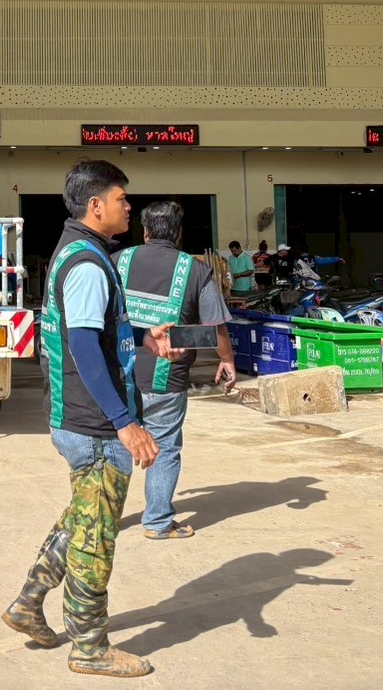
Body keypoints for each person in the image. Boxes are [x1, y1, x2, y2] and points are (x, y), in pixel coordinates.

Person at [3, 160, 157, 679]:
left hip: (82, 417)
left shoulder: (78, 252)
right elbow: (84, 346)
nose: (128, 207)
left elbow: (98, 330)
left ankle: (28, 602)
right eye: (121, 198)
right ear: (96, 205)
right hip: (94, 425)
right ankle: (89, 647)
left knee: (81, 521)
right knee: (95, 541)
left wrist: (144, 338)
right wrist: (124, 421)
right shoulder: (88, 264)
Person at [119, 202, 235, 540]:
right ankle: (157, 523)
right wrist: (227, 360)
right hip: (165, 380)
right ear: (180, 233)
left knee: (114, 446)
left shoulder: (118, 261)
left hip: (118, 376)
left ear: (144, 231)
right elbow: (215, 325)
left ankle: (103, 521)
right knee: (165, 448)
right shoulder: (196, 271)